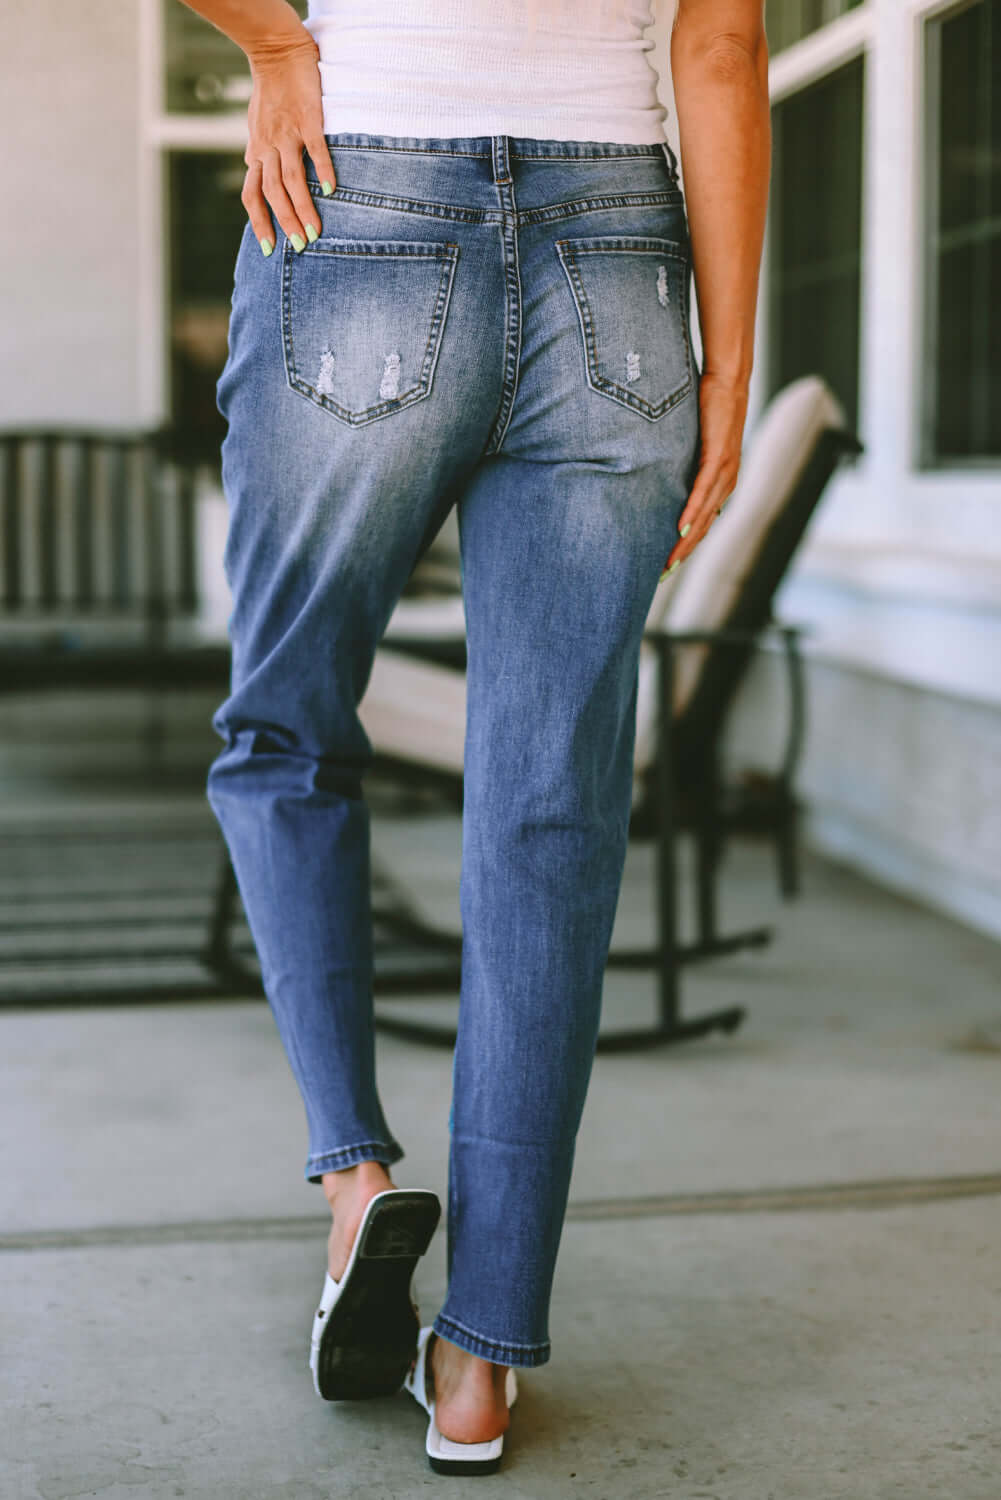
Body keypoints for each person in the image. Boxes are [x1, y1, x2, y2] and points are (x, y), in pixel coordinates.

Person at [185, 0, 770, 1475]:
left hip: (359, 189)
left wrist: (272, 45)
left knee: (288, 732)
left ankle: (354, 1176)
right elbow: (718, 47)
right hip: (619, 251)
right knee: (550, 812)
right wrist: (726, 365)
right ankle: (480, 1361)